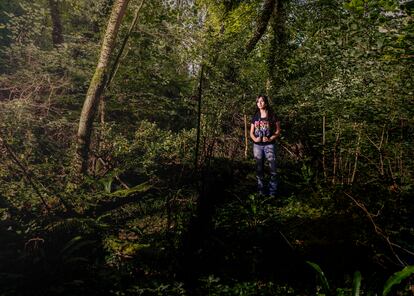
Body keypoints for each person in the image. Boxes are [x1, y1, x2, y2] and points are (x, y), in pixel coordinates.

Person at [250, 95, 281, 196]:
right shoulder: (255, 115)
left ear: (266, 103)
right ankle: (261, 192)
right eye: (258, 102)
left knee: (273, 169)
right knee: (259, 169)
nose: (260, 103)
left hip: (269, 146)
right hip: (257, 146)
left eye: (262, 101)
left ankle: (273, 193)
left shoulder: (272, 115)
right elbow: (251, 132)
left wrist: (271, 138)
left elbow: (278, 130)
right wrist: (255, 139)